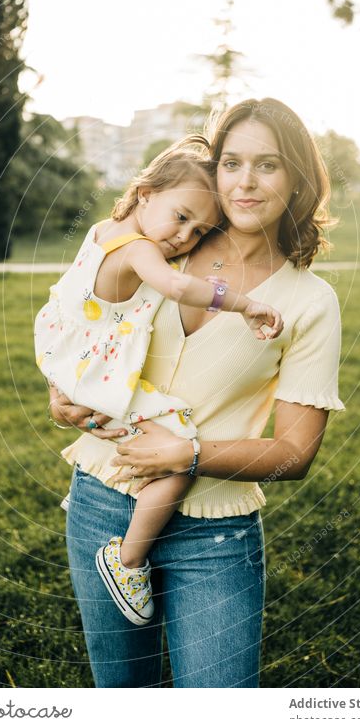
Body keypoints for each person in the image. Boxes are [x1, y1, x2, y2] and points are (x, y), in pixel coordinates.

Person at [48, 98, 345, 688]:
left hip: (214, 531)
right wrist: (63, 390)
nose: (246, 181)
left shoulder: (311, 302)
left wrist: (187, 454)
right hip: (102, 500)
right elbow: (88, 324)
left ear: (299, 179)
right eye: (232, 162)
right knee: (122, 697)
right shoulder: (163, 249)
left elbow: (296, 450)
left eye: (268, 164)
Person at [34, 145, 283, 626]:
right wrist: (242, 302)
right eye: (181, 216)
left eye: (200, 231)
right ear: (145, 194)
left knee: (171, 444)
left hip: (66, 352)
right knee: (182, 449)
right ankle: (128, 560)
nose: (185, 237)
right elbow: (176, 287)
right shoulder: (141, 249)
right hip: (98, 371)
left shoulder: (103, 231)